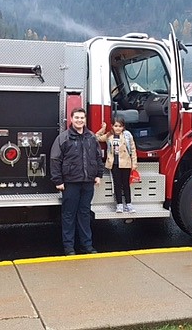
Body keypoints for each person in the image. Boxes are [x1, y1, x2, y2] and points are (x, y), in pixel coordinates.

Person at [50, 107, 104, 256]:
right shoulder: (63, 138)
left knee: (85, 214)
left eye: (82, 118)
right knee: (68, 215)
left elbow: (98, 157)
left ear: (85, 120)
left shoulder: (91, 137)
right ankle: (69, 248)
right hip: (70, 183)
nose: (79, 120)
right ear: (71, 119)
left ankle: (87, 246)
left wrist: (99, 174)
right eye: (77, 118)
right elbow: (55, 160)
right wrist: (58, 180)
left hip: (88, 182)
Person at [96, 116, 138, 213]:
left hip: (126, 164)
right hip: (114, 164)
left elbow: (133, 149)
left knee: (126, 184)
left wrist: (134, 163)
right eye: (115, 126)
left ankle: (129, 204)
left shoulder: (127, 136)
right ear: (112, 126)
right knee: (117, 184)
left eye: (120, 126)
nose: (118, 128)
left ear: (123, 127)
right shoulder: (109, 136)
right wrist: (103, 129)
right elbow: (96, 137)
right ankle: (119, 204)